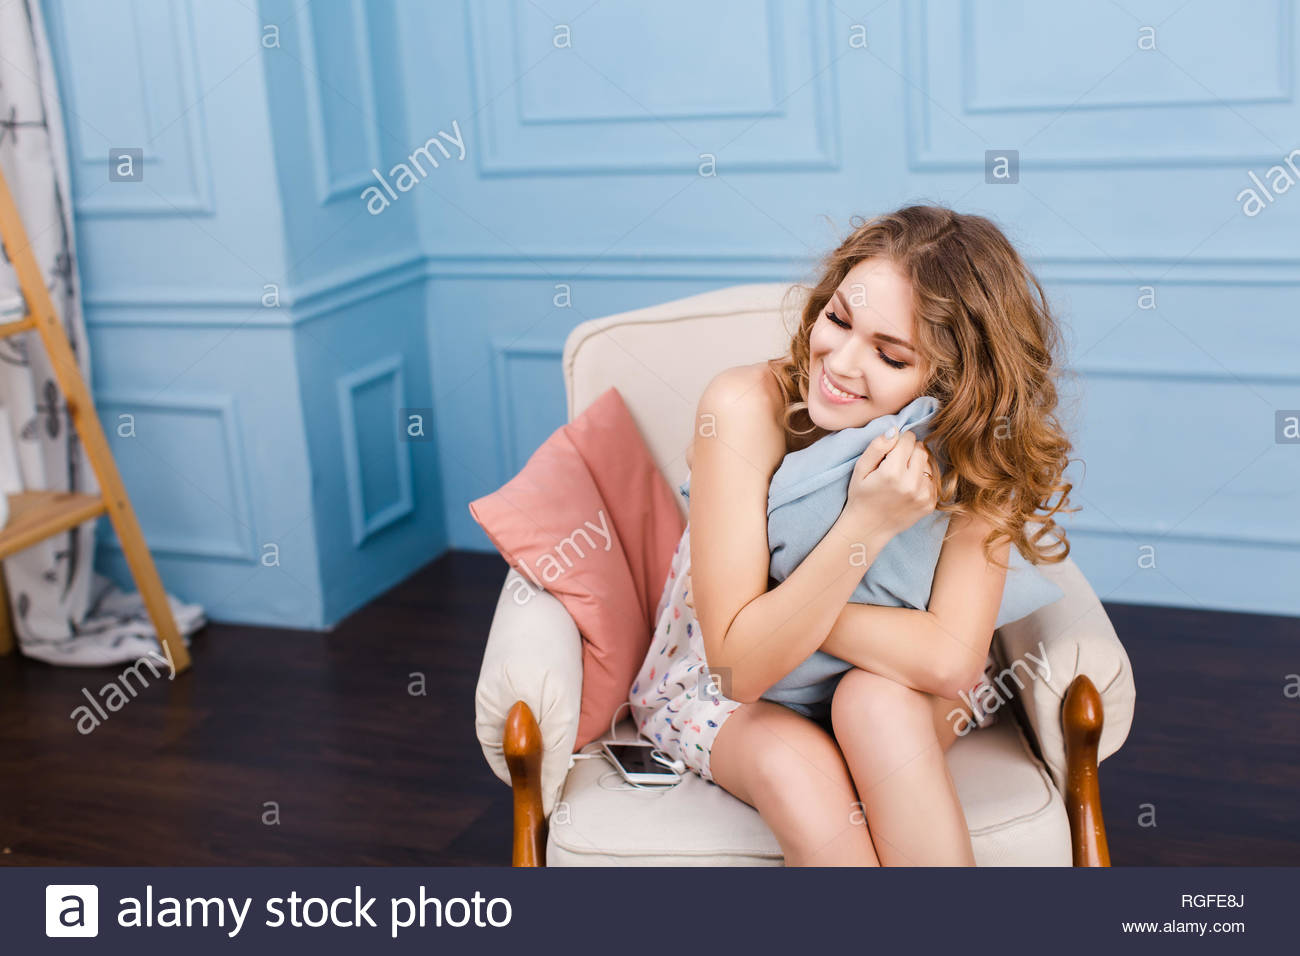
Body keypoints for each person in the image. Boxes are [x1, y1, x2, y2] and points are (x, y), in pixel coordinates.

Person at [627, 204, 1076, 866]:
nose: (839, 362)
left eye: (890, 355)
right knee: (798, 773)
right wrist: (868, 522)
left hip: (883, 678)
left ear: (951, 389)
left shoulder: (981, 443)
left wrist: (778, 608)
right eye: (838, 319)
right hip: (721, 682)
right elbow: (736, 665)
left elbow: (951, 659)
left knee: (875, 704)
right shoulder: (744, 407)